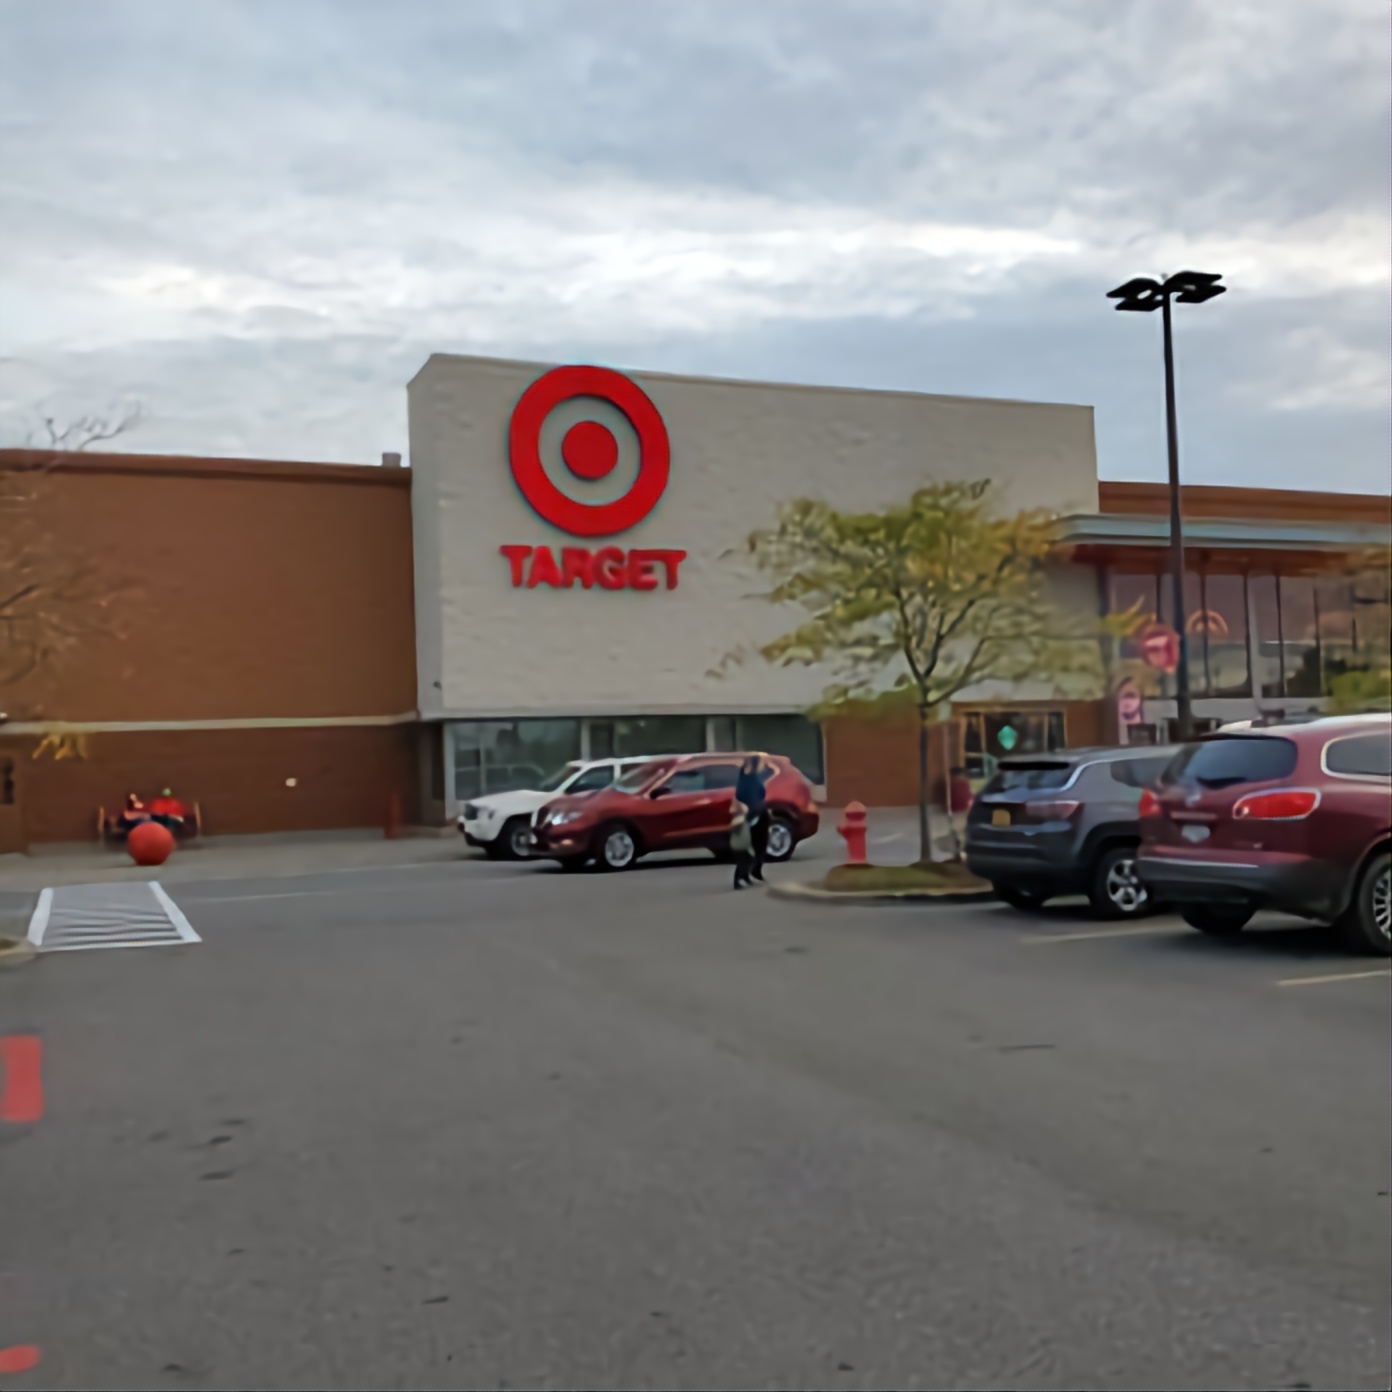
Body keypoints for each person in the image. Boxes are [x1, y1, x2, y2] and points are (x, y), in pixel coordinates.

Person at [735, 753, 773, 881]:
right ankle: (750, 872)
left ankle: (749, 873)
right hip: (756, 813)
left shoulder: (744, 777)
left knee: (754, 845)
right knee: (759, 844)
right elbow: (757, 795)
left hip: (754, 813)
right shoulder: (752, 779)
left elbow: (741, 795)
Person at [729, 799, 755, 889]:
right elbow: (734, 828)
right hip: (739, 845)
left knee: (749, 859)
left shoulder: (742, 818)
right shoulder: (739, 819)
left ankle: (745, 877)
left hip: (742, 844)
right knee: (742, 862)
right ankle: (737, 882)